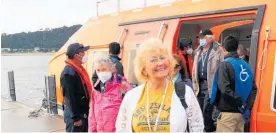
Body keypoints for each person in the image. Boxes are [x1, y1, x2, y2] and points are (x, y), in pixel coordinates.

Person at [116, 38, 204, 132]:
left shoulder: (185, 93)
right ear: (144, 68)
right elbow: (122, 129)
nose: (160, 63)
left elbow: (197, 127)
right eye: (153, 60)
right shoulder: (132, 97)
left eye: (162, 58)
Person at [210, 35, 257, 132]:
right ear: (237, 48)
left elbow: (224, 89)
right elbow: (253, 89)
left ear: (223, 48)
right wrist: (246, 106)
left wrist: (239, 103)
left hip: (227, 114)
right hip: (241, 115)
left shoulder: (224, 65)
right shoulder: (246, 66)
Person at [88, 53, 131, 132]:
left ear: (111, 69)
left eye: (104, 69)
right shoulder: (96, 89)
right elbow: (92, 115)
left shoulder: (122, 86)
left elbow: (131, 110)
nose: (101, 73)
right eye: (98, 70)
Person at [192, 29, 224, 132]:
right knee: (200, 108)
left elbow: (222, 67)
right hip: (199, 84)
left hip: (211, 84)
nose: (201, 40)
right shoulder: (198, 50)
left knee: (207, 109)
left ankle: (208, 129)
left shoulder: (217, 49)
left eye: (203, 37)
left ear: (210, 38)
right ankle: (205, 128)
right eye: (200, 38)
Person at [60, 43, 92, 132]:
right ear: (76, 55)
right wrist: (75, 117)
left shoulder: (78, 69)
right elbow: (68, 97)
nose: (84, 54)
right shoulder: (68, 72)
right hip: (75, 114)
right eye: (83, 52)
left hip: (82, 111)